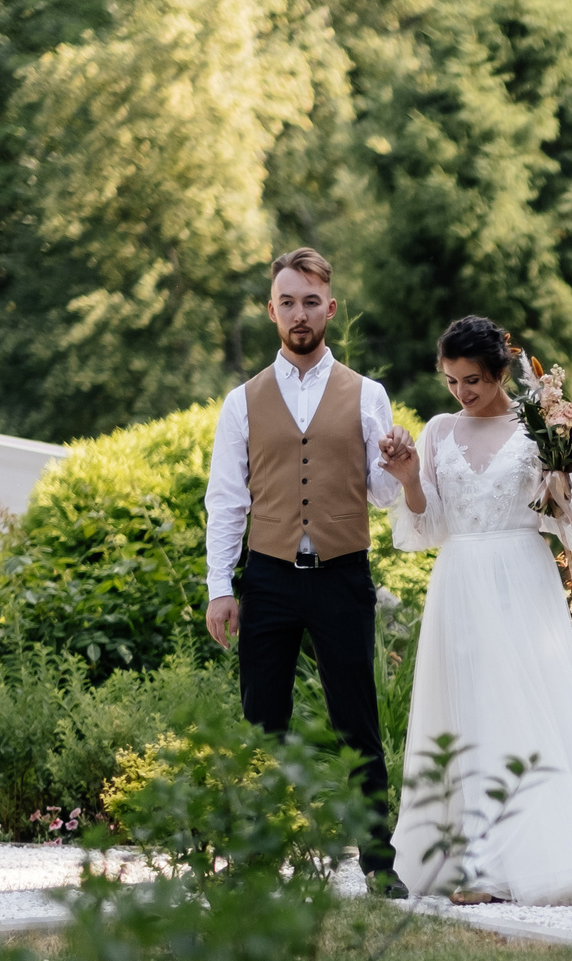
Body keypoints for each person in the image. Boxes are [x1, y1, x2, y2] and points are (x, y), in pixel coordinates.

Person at [377, 316, 572, 905]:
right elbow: (425, 527)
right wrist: (410, 478)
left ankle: (518, 861)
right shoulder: (437, 430)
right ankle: (465, 857)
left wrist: (562, 478)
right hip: (459, 578)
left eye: (475, 381)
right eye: (453, 381)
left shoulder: (540, 429)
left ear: (502, 372)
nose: (463, 393)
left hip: (521, 578)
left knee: (525, 705)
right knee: (467, 708)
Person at [202, 247, 412, 894]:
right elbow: (227, 500)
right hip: (267, 579)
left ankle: (379, 864)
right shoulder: (241, 402)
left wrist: (402, 467)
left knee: (357, 724)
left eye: (310, 301)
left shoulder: (366, 394)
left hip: (342, 576)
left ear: (330, 307)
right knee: (263, 721)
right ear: (271, 311)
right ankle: (257, 861)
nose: (299, 313)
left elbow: (382, 492)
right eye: (287, 302)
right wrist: (219, 589)